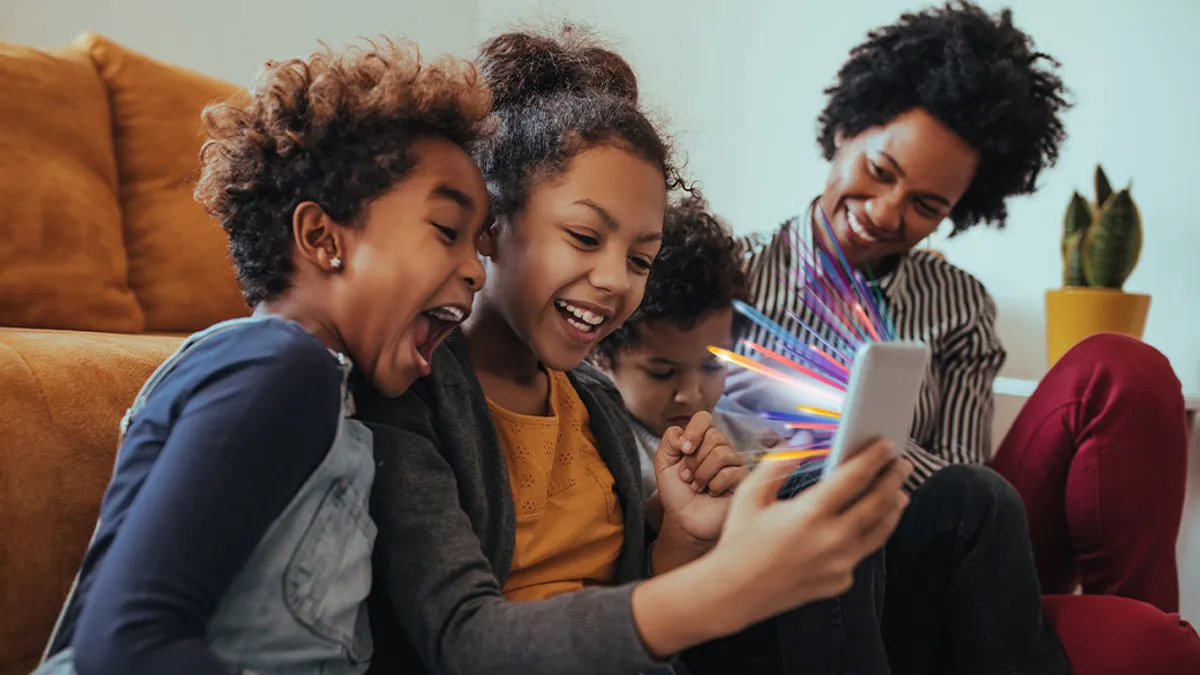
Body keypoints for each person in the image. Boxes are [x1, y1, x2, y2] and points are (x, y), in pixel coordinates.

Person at [353, 26, 913, 675]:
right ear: (491, 220)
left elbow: (624, 599)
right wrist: (730, 584)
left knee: (839, 491)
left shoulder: (593, 400)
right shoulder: (412, 391)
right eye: (585, 236)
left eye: (641, 257)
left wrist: (682, 533)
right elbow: (464, 640)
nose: (618, 279)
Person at [725, 0, 1200, 670]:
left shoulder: (956, 303)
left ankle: (1141, 604)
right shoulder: (727, 273)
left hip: (941, 551)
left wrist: (861, 446)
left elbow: (961, 484)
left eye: (927, 206)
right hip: (791, 576)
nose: (885, 214)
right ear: (844, 129)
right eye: (881, 171)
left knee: (1121, 370)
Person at [33, 38, 492, 675]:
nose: (475, 270)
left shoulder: (328, 395)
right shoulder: (278, 368)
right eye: (447, 231)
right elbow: (130, 645)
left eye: (479, 246)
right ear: (321, 238)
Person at [595, 194, 1073, 675]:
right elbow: (622, 598)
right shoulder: (608, 439)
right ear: (600, 355)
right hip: (719, 631)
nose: (691, 394)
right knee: (818, 495)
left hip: (835, 615)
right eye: (661, 373)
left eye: (712, 364)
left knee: (976, 494)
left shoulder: (742, 424)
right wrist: (671, 520)